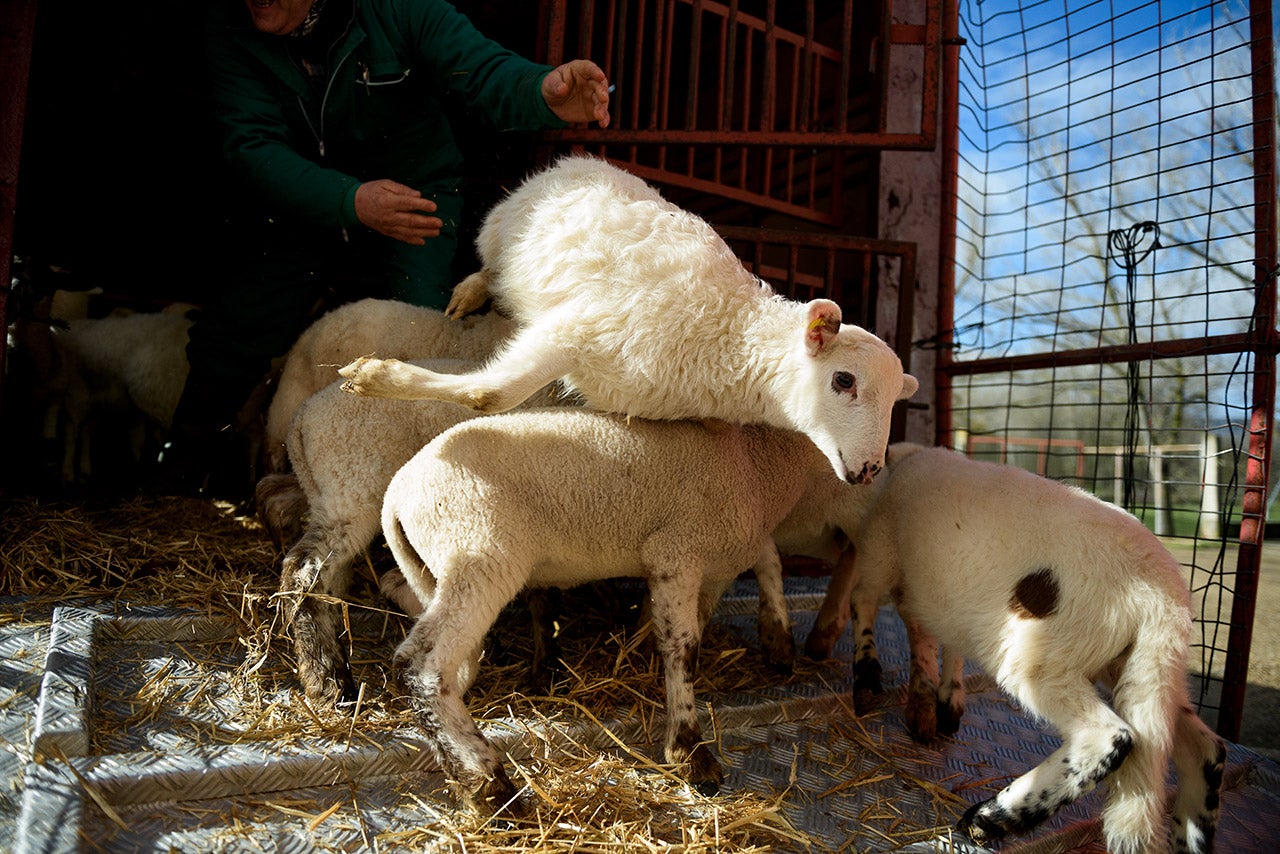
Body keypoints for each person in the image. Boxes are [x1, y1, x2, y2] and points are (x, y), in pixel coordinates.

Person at [161, 0, 611, 495]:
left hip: (412, 198)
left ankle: (413, 500)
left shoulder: (398, 7)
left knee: (421, 340)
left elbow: (480, 69)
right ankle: (181, 479)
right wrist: (349, 200)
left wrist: (543, 94)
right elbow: (253, 145)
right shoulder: (230, 24)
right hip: (304, 202)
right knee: (235, 329)